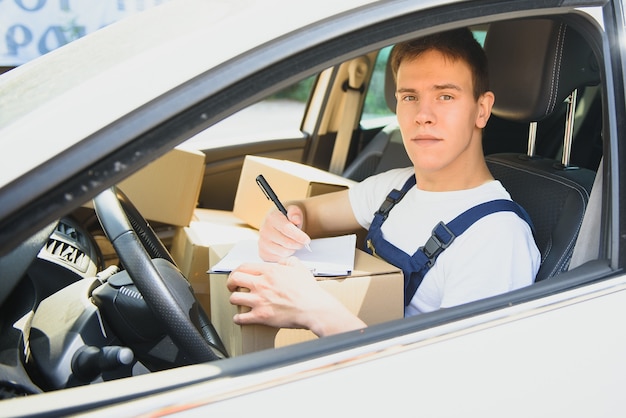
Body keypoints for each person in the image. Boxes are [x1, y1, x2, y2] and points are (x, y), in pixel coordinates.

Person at [227, 28, 541, 337]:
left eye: (445, 95)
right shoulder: (395, 188)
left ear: (482, 109)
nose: (423, 115)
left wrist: (315, 311)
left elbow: (449, 380)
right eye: (409, 96)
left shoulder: (497, 237)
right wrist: (283, 221)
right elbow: (308, 213)